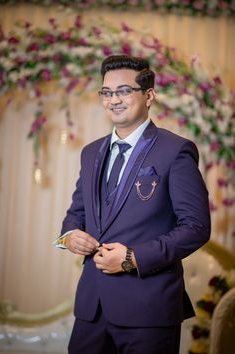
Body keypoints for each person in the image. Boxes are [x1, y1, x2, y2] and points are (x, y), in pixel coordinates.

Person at [54, 54, 211, 354]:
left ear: (149, 95)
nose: (114, 99)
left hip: (149, 311)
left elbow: (197, 227)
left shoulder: (176, 150)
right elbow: (75, 215)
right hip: (91, 308)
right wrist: (70, 237)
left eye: (124, 90)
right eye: (107, 92)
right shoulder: (90, 153)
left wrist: (132, 258)